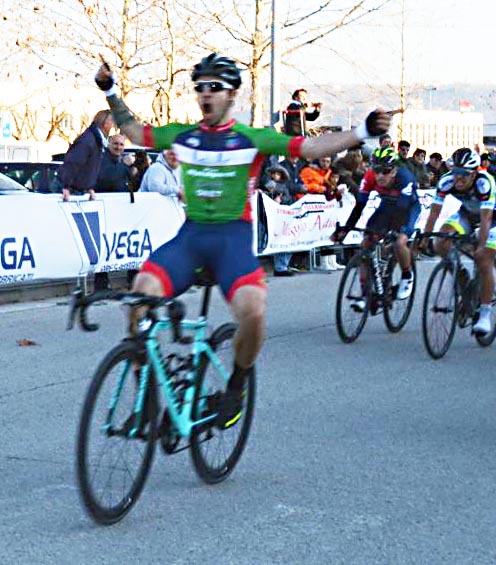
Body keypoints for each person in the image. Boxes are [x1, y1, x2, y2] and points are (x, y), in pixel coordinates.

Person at [96, 52, 392, 428]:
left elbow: (311, 148)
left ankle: (235, 388)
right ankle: (148, 391)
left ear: (231, 95)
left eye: (215, 88)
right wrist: (111, 91)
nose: (206, 94)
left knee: (253, 309)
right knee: (140, 295)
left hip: (232, 241)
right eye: (200, 88)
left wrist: (362, 131)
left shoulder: (251, 138)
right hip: (191, 238)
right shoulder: (184, 137)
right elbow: (136, 131)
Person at [420, 147, 496, 336]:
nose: (458, 179)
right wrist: (426, 238)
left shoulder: (485, 183)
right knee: (441, 241)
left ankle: (484, 313)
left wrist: (481, 247)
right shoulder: (446, 181)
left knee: (484, 260)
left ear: (474, 174)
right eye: (455, 173)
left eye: (463, 175)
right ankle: (461, 275)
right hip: (466, 214)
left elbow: (485, 220)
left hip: (492, 217)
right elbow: (434, 212)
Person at [333, 147, 420, 305]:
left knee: (399, 243)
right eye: (376, 170)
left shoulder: (405, 178)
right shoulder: (370, 177)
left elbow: (401, 210)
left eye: (385, 171)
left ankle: (407, 275)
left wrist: (390, 234)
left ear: (394, 170)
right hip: (387, 206)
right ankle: (365, 293)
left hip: (408, 209)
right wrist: (346, 229)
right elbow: (359, 206)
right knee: (366, 243)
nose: (380, 176)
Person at [58, 109, 114, 201]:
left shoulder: (96, 141)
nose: (113, 125)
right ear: (104, 122)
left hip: (79, 191)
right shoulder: (88, 141)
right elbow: (73, 162)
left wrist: (89, 187)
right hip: (72, 192)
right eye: (112, 121)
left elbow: (89, 168)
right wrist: (65, 186)